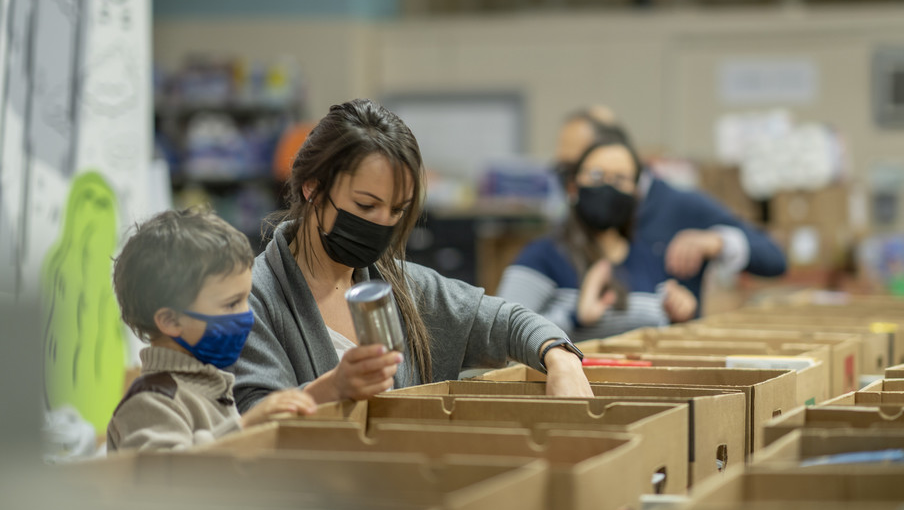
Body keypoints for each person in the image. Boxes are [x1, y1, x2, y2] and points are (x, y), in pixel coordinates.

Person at [234, 99, 593, 411]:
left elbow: (507, 321)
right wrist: (330, 390)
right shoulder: (253, 299)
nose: (382, 224)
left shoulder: (406, 288)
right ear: (312, 186)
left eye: (396, 211)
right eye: (366, 205)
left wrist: (561, 359)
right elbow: (251, 417)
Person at [106, 209, 317, 452]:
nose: (246, 314)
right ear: (170, 320)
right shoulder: (151, 401)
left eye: (246, 299)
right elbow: (164, 478)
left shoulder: (211, 383)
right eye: (231, 303)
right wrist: (246, 427)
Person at [555, 107, 787, 304]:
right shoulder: (580, 214)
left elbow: (773, 257)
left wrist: (716, 242)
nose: (571, 182)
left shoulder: (680, 205)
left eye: (579, 168)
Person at [498, 129, 698, 340]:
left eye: (620, 179)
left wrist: (678, 315)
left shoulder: (650, 259)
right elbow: (501, 336)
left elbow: (658, 336)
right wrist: (575, 318)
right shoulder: (540, 257)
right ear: (573, 187)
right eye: (596, 176)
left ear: (636, 194)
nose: (608, 187)